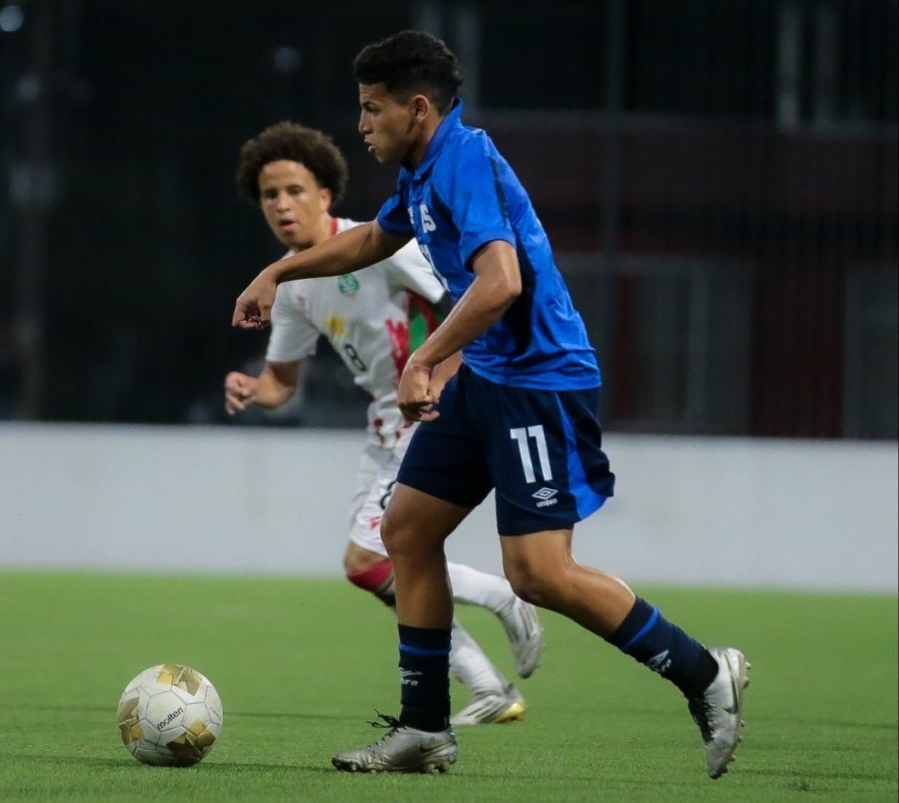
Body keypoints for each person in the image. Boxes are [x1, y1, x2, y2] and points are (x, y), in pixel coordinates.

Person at [233, 32, 749, 779]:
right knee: (405, 530)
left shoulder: (465, 158)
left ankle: (704, 672)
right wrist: (278, 272)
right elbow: (375, 238)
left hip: (539, 381)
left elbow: (500, 281)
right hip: (490, 375)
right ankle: (424, 728)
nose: (363, 124)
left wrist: (429, 358)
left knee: (540, 572)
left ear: (417, 108)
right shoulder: (421, 171)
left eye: (372, 109)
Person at [226, 121, 544, 726]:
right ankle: (488, 686)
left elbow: (462, 298)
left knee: (371, 559)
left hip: (428, 412)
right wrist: (252, 389)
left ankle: (502, 600)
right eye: (270, 195)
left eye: (295, 190)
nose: (282, 205)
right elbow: (282, 383)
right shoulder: (293, 285)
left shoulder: (379, 248)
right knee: (378, 567)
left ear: (326, 194)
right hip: (384, 424)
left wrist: (440, 374)